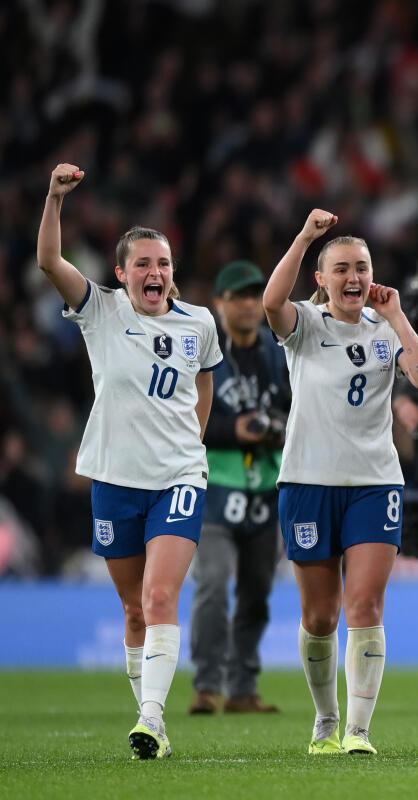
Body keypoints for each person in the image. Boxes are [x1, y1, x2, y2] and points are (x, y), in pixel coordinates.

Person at [37, 163, 222, 759]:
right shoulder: (103, 311)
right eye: (142, 263)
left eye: (163, 263)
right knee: (133, 609)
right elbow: (49, 263)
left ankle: (149, 717)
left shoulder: (198, 323)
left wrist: (192, 441)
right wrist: (54, 201)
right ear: (121, 273)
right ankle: (155, 726)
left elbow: (204, 385)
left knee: (161, 597)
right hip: (114, 477)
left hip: (178, 480)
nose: (155, 272)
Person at [263, 209, 418, 756]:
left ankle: (359, 730)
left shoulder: (385, 331)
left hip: (374, 483)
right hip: (308, 481)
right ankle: (325, 719)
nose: (353, 278)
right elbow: (271, 304)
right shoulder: (305, 326)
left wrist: (398, 317)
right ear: (321, 280)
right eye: (340, 269)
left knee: (366, 607)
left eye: (361, 267)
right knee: (320, 616)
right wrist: (303, 237)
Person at [189, 260, 289, 716]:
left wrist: (278, 428)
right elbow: (186, 420)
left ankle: (243, 689)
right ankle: (207, 686)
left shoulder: (278, 350)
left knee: (257, 591)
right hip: (215, 488)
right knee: (211, 584)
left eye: (255, 296)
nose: (250, 305)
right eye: (239, 297)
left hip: (266, 489)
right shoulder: (204, 353)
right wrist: (236, 430)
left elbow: (298, 408)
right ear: (219, 304)